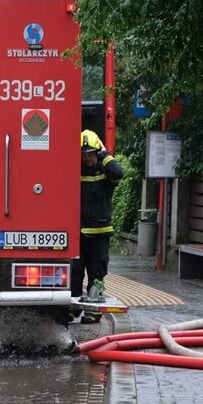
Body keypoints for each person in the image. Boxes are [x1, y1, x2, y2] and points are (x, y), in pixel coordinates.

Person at [72, 130, 124, 310]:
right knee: (74, 274)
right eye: (83, 154)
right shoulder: (74, 170)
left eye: (91, 154)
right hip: (78, 234)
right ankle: (72, 310)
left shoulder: (105, 170)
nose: (87, 159)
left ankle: (93, 312)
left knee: (97, 275)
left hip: (100, 234)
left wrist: (104, 154)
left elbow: (119, 173)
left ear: (96, 152)